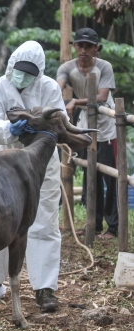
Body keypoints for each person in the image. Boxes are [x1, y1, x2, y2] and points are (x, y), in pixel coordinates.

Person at [0, 41, 66, 312]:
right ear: (11, 65)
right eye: (20, 70)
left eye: (30, 72)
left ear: (38, 72)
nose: (23, 76)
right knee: (2, 216)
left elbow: (59, 120)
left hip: (41, 162)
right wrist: (9, 128)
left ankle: (45, 289)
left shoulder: (49, 88)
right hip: (6, 161)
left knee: (45, 221)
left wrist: (37, 130)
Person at [56, 27, 118, 239]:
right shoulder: (67, 67)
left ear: (96, 49)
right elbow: (57, 88)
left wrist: (74, 101)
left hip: (107, 126)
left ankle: (114, 227)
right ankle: (95, 224)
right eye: (80, 45)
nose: (83, 50)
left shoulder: (104, 67)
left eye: (88, 46)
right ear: (74, 46)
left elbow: (101, 97)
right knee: (91, 173)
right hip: (86, 124)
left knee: (111, 177)